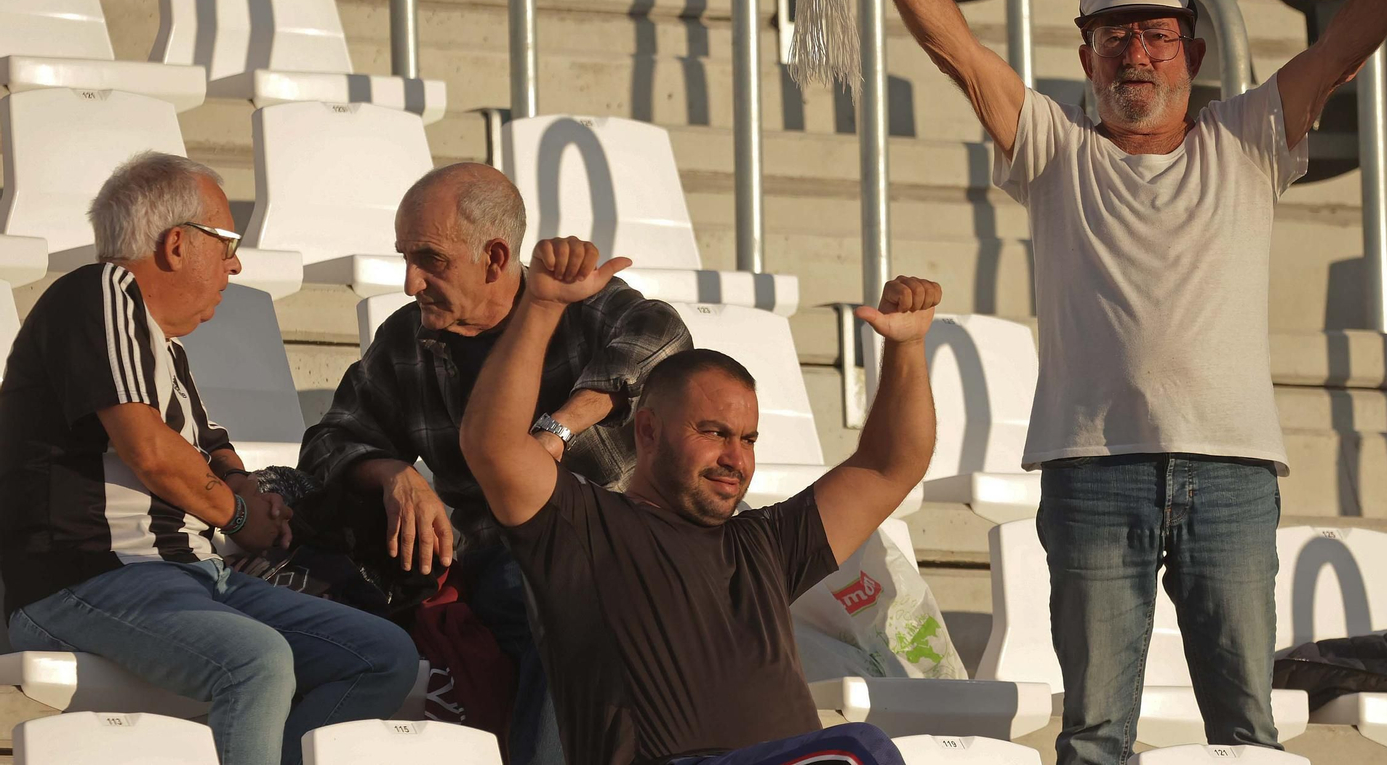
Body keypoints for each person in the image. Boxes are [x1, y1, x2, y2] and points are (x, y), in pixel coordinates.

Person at [849, 0, 1387, 764]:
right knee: (1095, 736)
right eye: (1112, 37)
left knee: (1246, 734)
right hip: (1092, 471)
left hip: (1230, 474)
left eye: (1155, 34)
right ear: (1086, 59)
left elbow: (1339, 52)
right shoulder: (1055, 152)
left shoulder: (1248, 138)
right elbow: (957, 50)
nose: (1134, 54)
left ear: (1193, 53)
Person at [0, 152, 419, 765]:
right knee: (256, 661)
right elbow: (151, 451)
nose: (236, 264)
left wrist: (246, 489)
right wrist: (240, 517)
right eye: (227, 244)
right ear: (176, 244)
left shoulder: (162, 346)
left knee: (383, 656)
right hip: (84, 578)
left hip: (196, 577)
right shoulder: (101, 291)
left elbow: (208, 447)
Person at [456, 235, 941, 765]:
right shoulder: (582, 528)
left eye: (748, 440)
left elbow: (889, 466)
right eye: (714, 433)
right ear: (648, 430)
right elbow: (493, 446)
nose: (736, 458)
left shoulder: (767, 544)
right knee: (857, 748)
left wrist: (908, 347)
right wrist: (542, 307)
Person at [299, 163, 691, 765]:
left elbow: (663, 337)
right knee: (567, 604)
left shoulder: (577, 304)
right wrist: (394, 474)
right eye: (405, 258)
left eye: (430, 260)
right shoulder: (407, 339)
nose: (409, 282)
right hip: (507, 562)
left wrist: (557, 431)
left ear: (495, 257)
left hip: (624, 546)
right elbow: (328, 442)